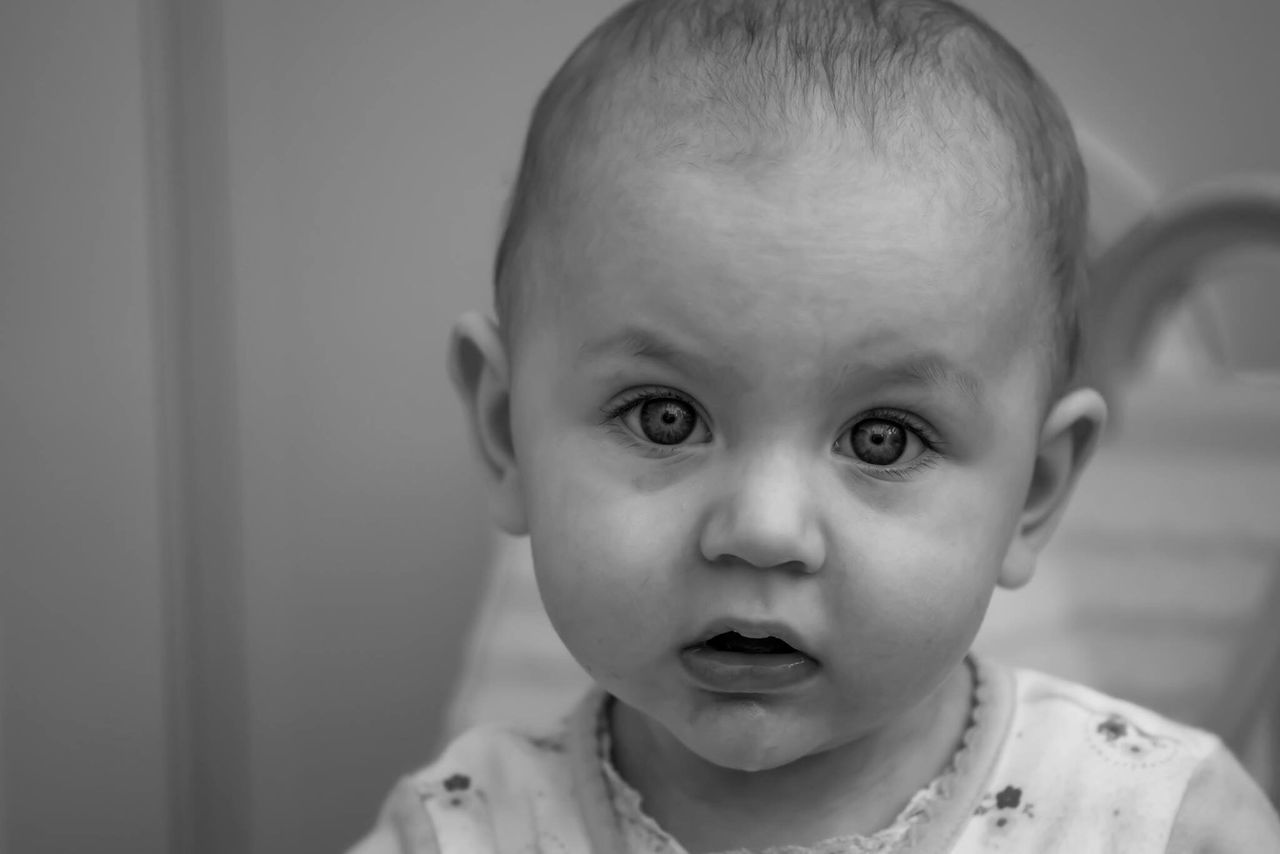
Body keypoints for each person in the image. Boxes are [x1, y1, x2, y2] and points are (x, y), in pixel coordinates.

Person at [351, 1, 1280, 850]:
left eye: (885, 437)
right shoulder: (461, 830)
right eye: (665, 417)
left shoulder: (1156, 824)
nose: (762, 530)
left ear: (1033, 492)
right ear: (507, 432)